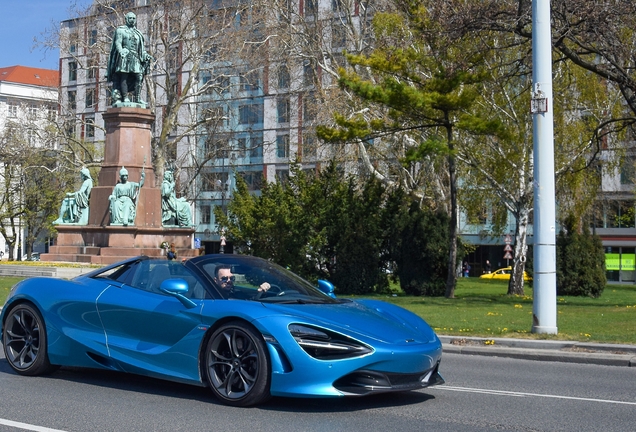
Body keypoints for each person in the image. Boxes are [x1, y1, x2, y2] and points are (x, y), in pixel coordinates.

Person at [106, 12, 153, 105]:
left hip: (135, 58)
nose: (132, 20)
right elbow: (118, 43)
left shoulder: (138, 33)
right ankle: (125, 97)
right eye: (130, 18)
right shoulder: (120, 30)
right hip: (125, 57)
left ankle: (137, 98)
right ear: (126, 19)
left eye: (133, 18)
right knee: (124, 77)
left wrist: (145, 55)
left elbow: (141, 49)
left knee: (139, 77)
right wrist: (121, 51)